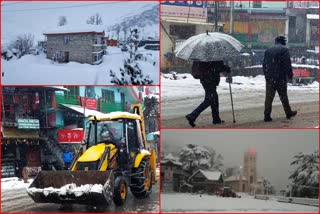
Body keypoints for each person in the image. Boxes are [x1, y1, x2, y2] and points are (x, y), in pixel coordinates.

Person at [186, 60, 231, 127]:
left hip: (204, 79)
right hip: (210, 79)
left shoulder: (201, 57)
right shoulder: (214, 56)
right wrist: (226, 68)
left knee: (214, 98)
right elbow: (217, 67)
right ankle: (192, 115)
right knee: (210, 99)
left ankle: (216, 119)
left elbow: (213, 67)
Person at [263, 35, 297, 122]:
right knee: (283, 96)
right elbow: (287, 63)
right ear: (283, 42)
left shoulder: (268, 50)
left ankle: (267, 115)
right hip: (280, 77)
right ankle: (288, 112)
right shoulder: (284, 49)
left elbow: (264, 64)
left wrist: (267, 75)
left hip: (270, 77)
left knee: (269, 97)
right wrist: (290, 74)